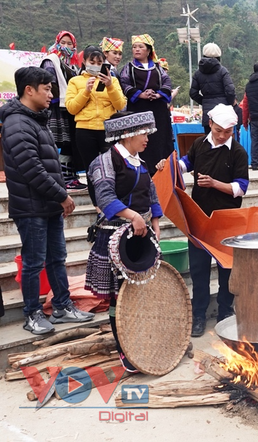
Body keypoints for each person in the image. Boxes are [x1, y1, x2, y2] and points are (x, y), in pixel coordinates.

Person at [0, 66, 95, 335]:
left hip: (48, 204)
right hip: (31, 207)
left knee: (57, 258)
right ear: (28, 90)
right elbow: (31, 169)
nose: (51, 93)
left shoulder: (37, 119)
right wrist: (62, 194)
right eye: (47, 88)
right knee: (33, 261)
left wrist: (57, 196)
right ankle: (32, 313)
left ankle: (62, 306)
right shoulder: (17, 124)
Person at [156, 104, 248, 337]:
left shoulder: (237, 151)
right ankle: (198, 315)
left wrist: (215, 184)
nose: (222, 135)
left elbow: (241, 188)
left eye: (227, 132)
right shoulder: (199, 144)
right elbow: (185, 164)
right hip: (198, 218)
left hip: (226, 220)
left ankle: (225, 312)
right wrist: (168, 166)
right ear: (210, 124)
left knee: (227, 267)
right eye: (218, 130)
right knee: (199, 270)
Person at [85, 110, 162, 372]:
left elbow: (151, 194)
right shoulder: (104, 162)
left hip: (141, 236)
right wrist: (132, 217)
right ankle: (125, 350)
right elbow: (104, 197)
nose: (147, 139)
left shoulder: (139, 162)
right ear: (127, 135)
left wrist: (154, 224)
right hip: (115, 238)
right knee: (120, 298)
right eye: (143, 133)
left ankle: (144, 343)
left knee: (141, 294)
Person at [65, 46, 127, 205]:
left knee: (112, 168)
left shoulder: (112, 80)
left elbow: (121, 104)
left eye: (99, 62)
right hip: (85, 130)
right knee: (92, 170)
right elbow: (71, 108)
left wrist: (110, 87)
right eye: (91, 61)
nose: (95, 65)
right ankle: (98, 207)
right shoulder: (75, 81)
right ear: (84, 62)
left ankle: (114, 203)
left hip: (108, 130)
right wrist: (85, 91)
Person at [119, 34, 174, 174]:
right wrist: (140, 94)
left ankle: (162, 172)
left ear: (148, 50)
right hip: (138, 109)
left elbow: (167, 83)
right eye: (134, 47)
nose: (137, 49)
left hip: (158, 111)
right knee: (140, 139)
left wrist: (158, 94)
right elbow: (124, 83)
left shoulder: (157, 68)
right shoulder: (128, 68)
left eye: (140, 47)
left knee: (159, 140)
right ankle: (141, 172)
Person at [40, 30, 85, 190]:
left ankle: (71, 176)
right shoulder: (51, 60)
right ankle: (63, 177)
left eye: (69, 44)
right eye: (63, 43)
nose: (66, 46)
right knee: (63, 142)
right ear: (57, 43)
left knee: (70, 142)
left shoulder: (72, 64)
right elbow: (49, 82)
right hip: (58, 107)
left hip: (71, 107)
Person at [189, 42, 236, 134]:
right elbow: (230, 91)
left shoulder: (198, 73)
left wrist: (204, 101)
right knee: (224, 143)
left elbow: (193, 93)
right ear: (219, 56)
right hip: (223, 114)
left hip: (208, 114)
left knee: (209, 143)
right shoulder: (223, 71)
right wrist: (228, 104)